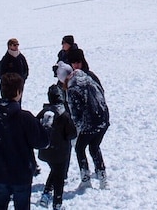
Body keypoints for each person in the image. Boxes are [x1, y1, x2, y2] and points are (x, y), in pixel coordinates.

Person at [0, 73, 49, 210]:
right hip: (20, 175)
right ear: (18, 92)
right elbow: (42, 142)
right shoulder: (25, 118)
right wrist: (46, 127)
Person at [65, 48, 110, 190]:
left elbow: (74, 108)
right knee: (94, 147)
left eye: (78, 62)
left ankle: (86, 179)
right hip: (102, 119)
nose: (76, 65)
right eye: (73, 62)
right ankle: (102, 177)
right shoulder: (90, 77)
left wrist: (76, 125)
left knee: (80, 148)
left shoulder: (75, 82)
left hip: (90, 121)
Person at [36, 82, 75, 210]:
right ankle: (57, 203)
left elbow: (35, 127)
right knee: (59, 177)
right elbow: (72, 133)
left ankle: (46, 194)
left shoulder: (43, 112)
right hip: (60, 153)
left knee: (55, 170)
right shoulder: (64, 115)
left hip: (45, 152)